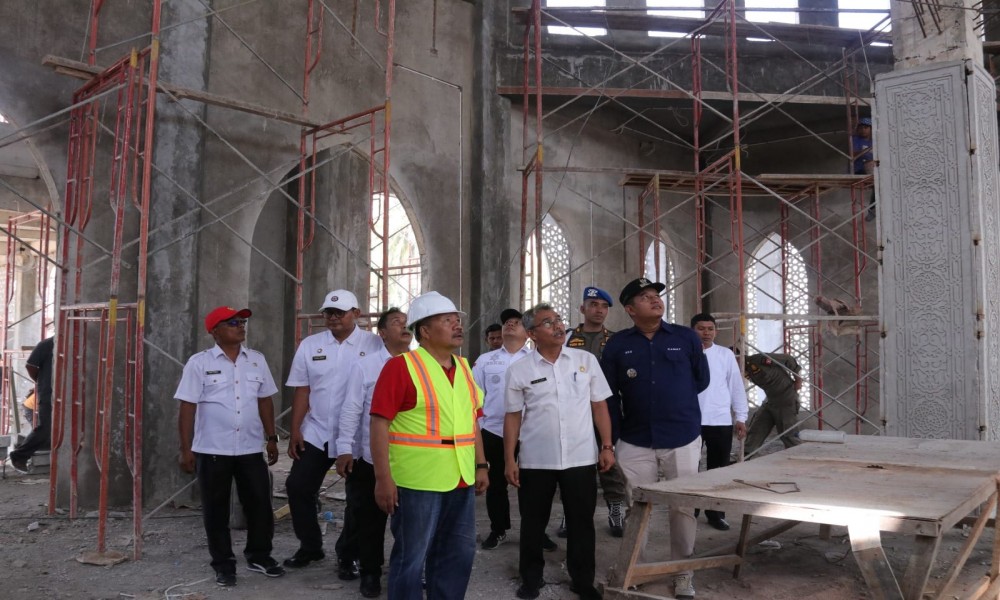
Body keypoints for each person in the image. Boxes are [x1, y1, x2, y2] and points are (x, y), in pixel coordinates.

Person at [369, 291, 488, 600]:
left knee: (458, 554)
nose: (457, 325)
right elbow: (379, 423)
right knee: (411, 558)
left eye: (457, 319)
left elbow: (472, 420)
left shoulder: (464, 368)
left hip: (461, 478)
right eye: (447, 320)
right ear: (424, 330)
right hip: (417, 482)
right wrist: (383, 479)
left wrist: (481, 464)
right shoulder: (401, 367)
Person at [601, 278, 709, 600]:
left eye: (656, 296)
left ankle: (683, 573)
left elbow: (701, 380)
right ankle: (636, 569)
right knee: (638, 508)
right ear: (630, 309)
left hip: (682, 437)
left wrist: (674, 403)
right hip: (635, 440)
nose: (654, 300)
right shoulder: (618, 345)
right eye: (645, 297)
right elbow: (608, 395)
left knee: (683, 507)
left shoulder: (685, 338)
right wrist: (612, 441)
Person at [504, 303, 615, 600]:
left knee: (582, 522)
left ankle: (583, 581)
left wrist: (606, 445)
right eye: (547, 322)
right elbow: (512, 416)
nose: (557, 326)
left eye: (558, 320)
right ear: (532, 334)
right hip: (536, 459)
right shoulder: (520, 370)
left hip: (580, 456)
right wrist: (509, 459)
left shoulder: (585, 360)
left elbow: (599, 405)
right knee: (533, 522)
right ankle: (531, 578)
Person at [174, 306, 283, 587]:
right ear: (215, 331)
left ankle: (259, 556)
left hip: (250, 448)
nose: (240, 326)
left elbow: (265, 400)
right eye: (232, 322)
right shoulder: (198, 363)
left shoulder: (257, 360)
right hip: (212, 449)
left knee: (259, 504)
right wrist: (186, 449)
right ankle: (223, 564)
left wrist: (272, 437)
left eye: (242, 322)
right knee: (216, 510)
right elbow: (187, 407)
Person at [283, 289, 383, 579]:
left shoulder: (374, 344)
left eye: (340, 312)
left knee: (358, 499)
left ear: (357, 314)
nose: (333, 317)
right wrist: (295, 430)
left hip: (357, 436)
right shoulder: (310, 345)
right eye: (328, 312)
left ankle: (347, 554)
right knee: (298, 487)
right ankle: (310, 546)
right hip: (317, 431)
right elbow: (303, 390)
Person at [334, 308, 412, 598]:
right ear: (382, 333)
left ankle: (408, 571)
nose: (404, 326)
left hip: (411, 459)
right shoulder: (366, 367)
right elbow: (352, 408)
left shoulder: (421, 365)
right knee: (369, 521)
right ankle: (370, 572)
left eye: (406, 322)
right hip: (371, 458)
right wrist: (345, 449)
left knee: (410, 523)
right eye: (397, 322)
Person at [472, 308, 539, 551]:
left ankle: (536, 532)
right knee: (496, 485)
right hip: (493, 430)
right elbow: (474, 396)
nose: (510, 324)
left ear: (528, 332)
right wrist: (479, 429)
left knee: (532, 485)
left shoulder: (536, 359)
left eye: (516, 322)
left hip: (529, 431)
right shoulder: (486, 360)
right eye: (507, 322)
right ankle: (498, 529)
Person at [565, 286, 628, 538]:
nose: (599, 310)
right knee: (574, 465)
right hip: (573, 409)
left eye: (604, 306)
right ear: (582, 308)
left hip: (606, 407)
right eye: (593, 305)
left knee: (609, 460)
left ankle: (615, 508)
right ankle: (571, 513)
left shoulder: (616, 340)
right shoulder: (567, 337)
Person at [690, 313, 748, 531]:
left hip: (720, 420)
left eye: (710, 329)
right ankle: (690, 509)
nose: (706, 333)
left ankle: (716, 513)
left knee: (718, 469)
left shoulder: (725, 354)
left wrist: (740, 417)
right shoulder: (686, 354)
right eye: (701, 328)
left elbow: (736, 387)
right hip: (690, 421)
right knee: (689, 469)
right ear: (692, 331)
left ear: (715, 331)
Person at [743, 352, 803, 457]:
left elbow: (788, 359)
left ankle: (797, 457)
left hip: (786, 398)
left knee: (788, 433)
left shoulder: (759, 359)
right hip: (770, 399)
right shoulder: (741, 370)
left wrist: (798, 380)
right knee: (757, 428)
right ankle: (746, 456)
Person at [9, 336, 54, 473]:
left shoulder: (75, 343)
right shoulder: (47, 344)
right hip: (47, 394)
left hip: (66, 395)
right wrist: (41, 381)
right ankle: (19, 456)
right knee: (45, 429)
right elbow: (30, 366)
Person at [852, 117, 876, 221]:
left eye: (866, 127)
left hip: (872, 171)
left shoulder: (874, 141)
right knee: (877, 183)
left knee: (879, 186)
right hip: (858, 170)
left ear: (871, 129)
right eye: (861, 127)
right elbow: (852, 154)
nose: (863, 130)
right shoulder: (855, 140)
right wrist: (866, 151)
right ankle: (872, 210)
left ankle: (872, 209)